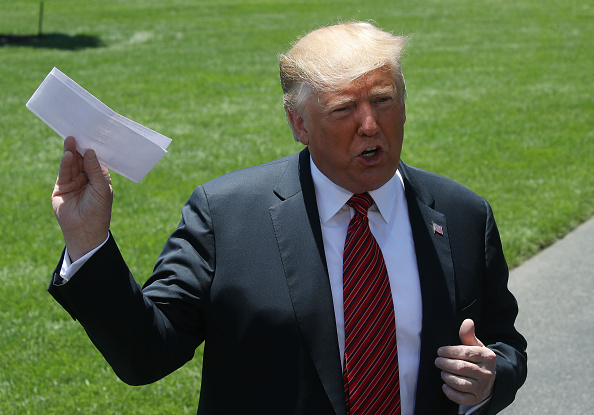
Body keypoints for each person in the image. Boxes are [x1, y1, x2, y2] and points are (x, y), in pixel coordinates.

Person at [48, 22, 527, 414]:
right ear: (299, 124)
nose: (370, 124)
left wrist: (491, 378)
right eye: (344, 108)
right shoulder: (226, 215)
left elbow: (504, 344)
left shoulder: (463, 215)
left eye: (383, 100)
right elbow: (145, 354)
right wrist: (89, 241)